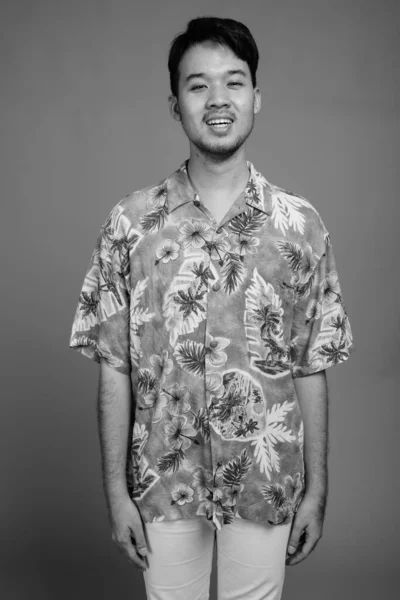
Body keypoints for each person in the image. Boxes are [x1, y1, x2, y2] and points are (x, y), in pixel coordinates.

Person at [69, 16, 354, 600]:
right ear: (176, 104)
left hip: (265, 477)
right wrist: (116, 493)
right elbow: (113, 368)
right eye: (198, 85)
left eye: (234, 82)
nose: (217, 99)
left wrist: (317, 488)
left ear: (256, 96)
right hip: (160, 478)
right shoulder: (131, 224)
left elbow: (311, 364)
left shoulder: (300, 226)